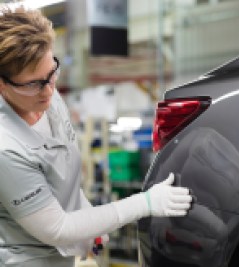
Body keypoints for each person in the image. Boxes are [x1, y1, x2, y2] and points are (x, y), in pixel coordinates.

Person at [0, 6, 193, 267]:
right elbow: (57, 228)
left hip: (60, 256)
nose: (48, 91)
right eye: (33, 83)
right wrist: (143, 203)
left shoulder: (46, 96)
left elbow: (62, 178)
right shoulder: (6, 147)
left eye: (52, 73)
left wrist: (91, 219)